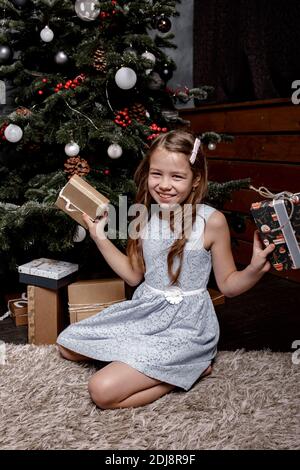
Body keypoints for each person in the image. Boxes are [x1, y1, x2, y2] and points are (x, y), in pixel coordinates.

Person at [57, 129, 275, 410]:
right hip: (147, 312)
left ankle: (185, 371)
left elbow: (229, 285)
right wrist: (100, 237)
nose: (165, 185)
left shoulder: (212, 221)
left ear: (195, 180)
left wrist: (255, 269)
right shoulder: (142, 215)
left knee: (102, 391)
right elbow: (134, 275)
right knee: (68, 343)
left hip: (188, 325)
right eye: (157, 174)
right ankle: (158, 363)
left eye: (177, 176)